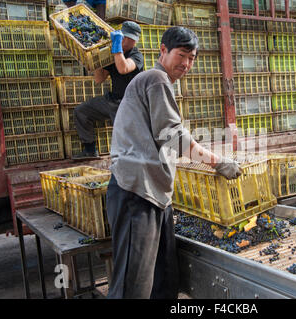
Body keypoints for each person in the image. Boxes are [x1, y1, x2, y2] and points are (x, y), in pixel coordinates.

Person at [106, 26, 242, 299]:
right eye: (182, 55)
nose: (187, 64)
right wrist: (217, 162)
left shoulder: (158, 83)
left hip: (155, 195)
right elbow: (174, 138)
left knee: (163, 280)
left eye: (192, 58)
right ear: (163, 50)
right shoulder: (155, 78)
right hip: (136, 193)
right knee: (132, 287)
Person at [72, 21, 144, 159]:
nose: (124, 40)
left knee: (125, 134)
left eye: (127, 38)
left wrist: (117, 49)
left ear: (133, 41)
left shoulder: (136, 56)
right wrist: (97, 60)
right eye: (123, 37)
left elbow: (124, 68)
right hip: (112, 100)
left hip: (129, 105)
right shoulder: (113, 55)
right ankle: (90, 149)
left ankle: (131, 158)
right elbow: (99, 79)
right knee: (81, 111)